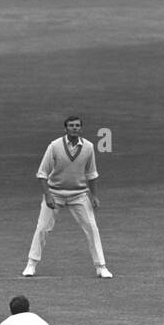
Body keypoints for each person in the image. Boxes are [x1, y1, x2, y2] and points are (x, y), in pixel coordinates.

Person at [23, 115, 112, 278]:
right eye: (71, 125)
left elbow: (92, 174)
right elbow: (42, 173)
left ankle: (101, 266)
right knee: (42, 228)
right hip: (55, 193)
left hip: (79, 194)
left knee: (92, 228)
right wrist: (48, 195)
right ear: (66, 128)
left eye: (77, 125)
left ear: (81, 128)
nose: (75, 128)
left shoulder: (89, 147)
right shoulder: (54, 146)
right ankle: (31, 264)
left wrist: (94, 196)